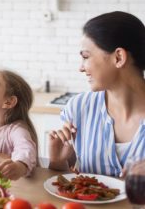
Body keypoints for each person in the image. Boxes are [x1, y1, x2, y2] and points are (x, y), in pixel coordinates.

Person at [49, 11, 145, 177]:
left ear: (118, 58)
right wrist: (58, 161)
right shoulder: (78, 108)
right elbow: (67, 184)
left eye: (86, 57)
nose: (81, 67)